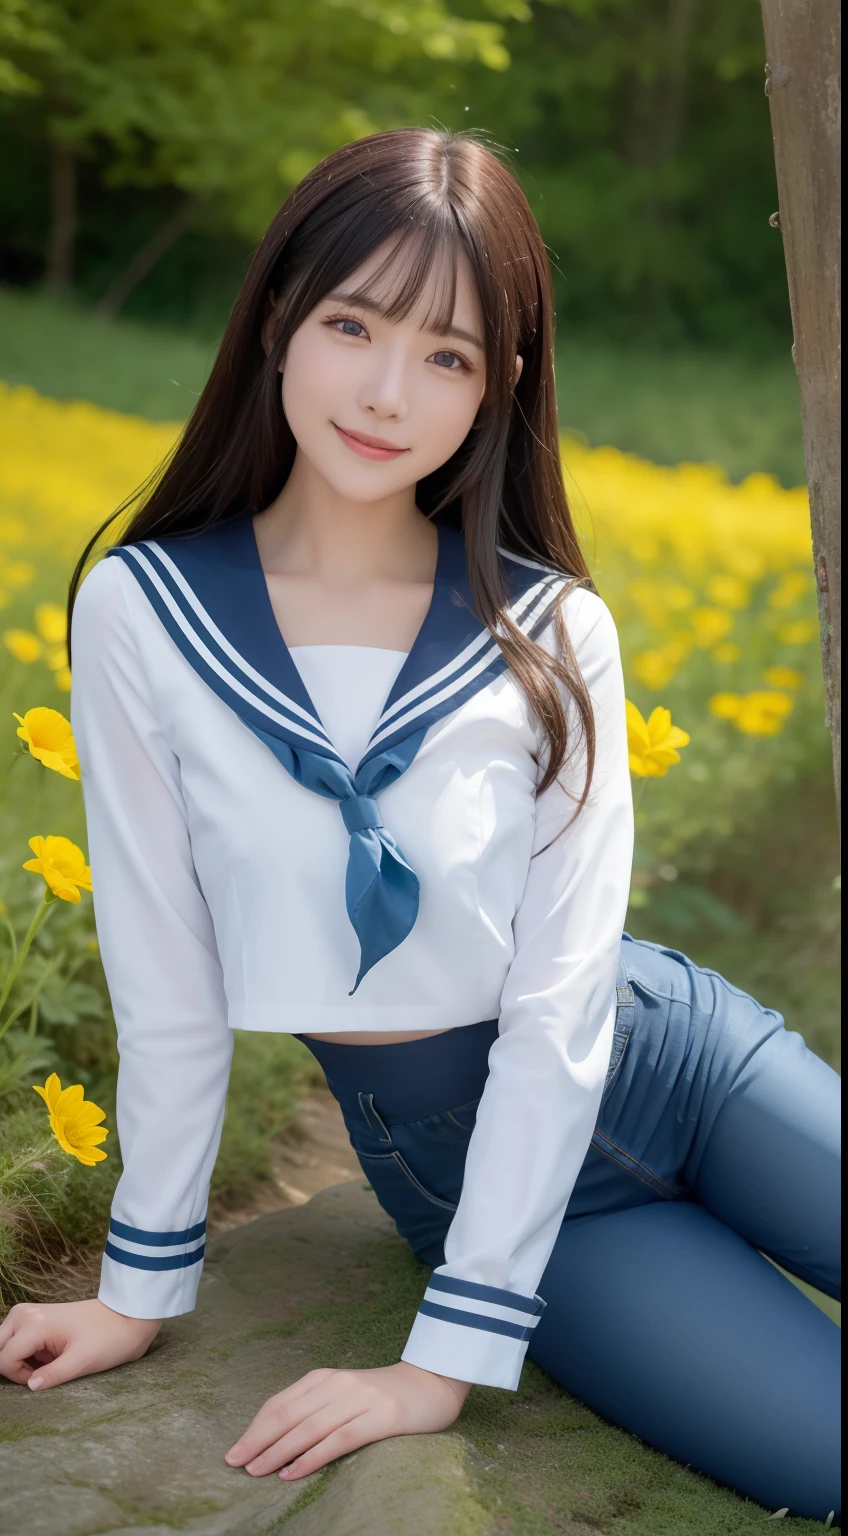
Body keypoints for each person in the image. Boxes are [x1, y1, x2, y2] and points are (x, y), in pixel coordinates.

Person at [0, 127, 839, 1525]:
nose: (390, 391)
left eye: (448, 354)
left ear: (498, 385)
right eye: (353, 325)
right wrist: (143, 1290)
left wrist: (438, 1367)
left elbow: (565, 1002)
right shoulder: (145, 614)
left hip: (677, 1060)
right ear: (279, 318)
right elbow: (166, 985)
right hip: (515, 1185)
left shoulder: (553, 626)